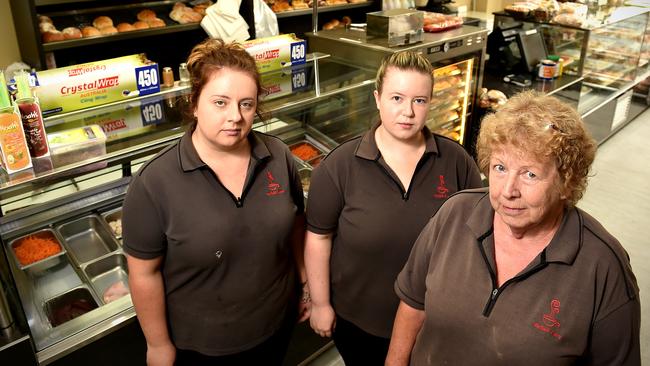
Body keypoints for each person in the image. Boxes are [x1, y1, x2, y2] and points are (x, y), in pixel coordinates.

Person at [387, 90, 641, 366]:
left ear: (567, 182)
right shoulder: (455, 213)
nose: (508, 191)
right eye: (499, 168)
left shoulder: (603, 266)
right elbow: (413, 304)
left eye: (530, 174)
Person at [122, 39, 309, 366]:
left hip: (276, 326)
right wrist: (158, 345)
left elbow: (294, 225)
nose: (235, 117)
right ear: (194, 103)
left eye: (246, 104)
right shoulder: (154, 183)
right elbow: (143, 274)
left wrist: (305, 284)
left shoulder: (278, 155)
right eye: (220, 102)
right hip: (202, 346)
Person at [304, 51, 482, 365]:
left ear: (430, 102)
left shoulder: (456, 161)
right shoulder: (340, 165)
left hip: (433, 319)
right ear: (377, 98)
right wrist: (320, 304)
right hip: (359, 320)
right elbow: (318, 238)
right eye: (397, 97)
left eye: (419, 101)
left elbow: (478, 235)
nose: (408, 112)